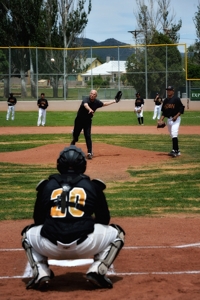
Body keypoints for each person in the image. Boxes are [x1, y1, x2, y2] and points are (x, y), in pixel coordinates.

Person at [21, 145, 125, 290]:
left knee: (27, 233)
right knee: (117, 233)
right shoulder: (92, 185)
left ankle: (40, 271)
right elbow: (104, 219)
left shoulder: (47, 185)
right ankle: (97, 270)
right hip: (85, 245)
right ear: (83, 164)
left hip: (50, 246)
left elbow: (38, 220)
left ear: (59, 164)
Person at [71, 89, 120, 159]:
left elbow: (104, 104)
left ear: (96, 96)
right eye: (91, 93)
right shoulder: (86, 99)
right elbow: (85, 105)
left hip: (87, 121)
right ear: (89, 94)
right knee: (76, 135)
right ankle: (74, 141)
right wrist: (90, 109)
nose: (92, 95)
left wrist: (114, 101)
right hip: (79, 120)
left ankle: (89, 153)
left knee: (87, 135)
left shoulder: (96, 102)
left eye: (94, 94)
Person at [158, 86, 185, 157]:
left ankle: (174, 150)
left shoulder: (176, 99)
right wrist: (161, 120)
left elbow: (181, 108)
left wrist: (176, 116)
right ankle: (177, 150)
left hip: (176, 119)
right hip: (169, 119)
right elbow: (164, 112)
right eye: (167, 90)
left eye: (170, 90)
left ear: (173, 91)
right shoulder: (166, 101)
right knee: (172, 135)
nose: (168, 91)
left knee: (174, 133)